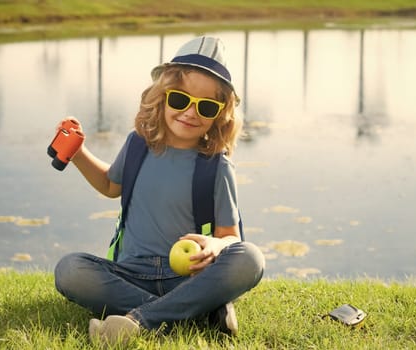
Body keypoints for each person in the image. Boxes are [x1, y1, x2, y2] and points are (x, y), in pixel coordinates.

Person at [54, 36, 265, 345]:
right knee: (69, 269)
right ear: (163, 97)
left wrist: (214, 245)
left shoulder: (216, 166)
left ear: (219, 115)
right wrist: (77, 153)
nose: (190, 113)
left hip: (189, 276)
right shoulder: (137, 145)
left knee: (251, 258)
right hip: (130, 272)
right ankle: (199, 310)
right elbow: (111, 186)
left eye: (205, 106)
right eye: (180, 100)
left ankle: (141, 320)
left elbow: (231, 236)